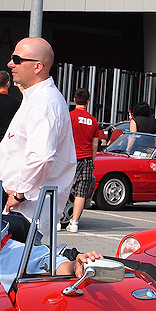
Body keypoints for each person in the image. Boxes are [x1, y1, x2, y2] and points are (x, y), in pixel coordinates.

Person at [0, 37, 77, 231]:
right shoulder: (36, 98)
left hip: (25, 215)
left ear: (38, 66)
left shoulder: (43, 103)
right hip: (19, 211)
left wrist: (20, 194)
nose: (10, 64)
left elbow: (41, 157)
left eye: (17, 59)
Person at [62, 87, 104, 234]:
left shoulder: (69, 117)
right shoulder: (93, 121)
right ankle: (74, 223)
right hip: (86, 159)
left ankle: (58, 221)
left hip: (69, 158)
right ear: (87, 102)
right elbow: (95, 145)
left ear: (74, 100)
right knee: (80, 192)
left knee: (64, 189)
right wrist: (92, 160)